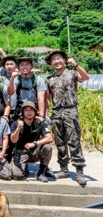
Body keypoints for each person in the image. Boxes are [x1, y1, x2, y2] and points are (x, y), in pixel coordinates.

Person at [45, 50, 90, 185]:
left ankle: (79, 171)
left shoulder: (72, 73)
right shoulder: (49, 79)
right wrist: (46, 114)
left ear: (64, 60)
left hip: (70, 110)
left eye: (59, 58)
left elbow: (86, 77)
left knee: (74, 140)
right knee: (60, 142)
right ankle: (63, 169)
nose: (57, 61)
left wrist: (76, 65)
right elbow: (48, 99)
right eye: (54, 59)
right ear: (51, 63)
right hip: (56, 112)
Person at [10, 101, 54, 182]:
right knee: (17, 176)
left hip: (33, 151)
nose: (29, 112)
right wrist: (18, 129)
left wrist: (34, 143)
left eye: (31, 110)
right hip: (21, 153)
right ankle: (24, 166)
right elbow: (13, 140)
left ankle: (40, 172)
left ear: (35, 112)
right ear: (22, 112)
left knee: (47, 147)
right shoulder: (16, 123)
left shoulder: (39, 123)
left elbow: (50, 138)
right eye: (26, 110)